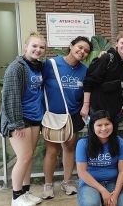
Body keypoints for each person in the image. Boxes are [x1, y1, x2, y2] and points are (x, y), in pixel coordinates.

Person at [41, 36, 92, 199]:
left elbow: (86, 91)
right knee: (52, 150)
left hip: (73, 116)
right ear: (71, 46)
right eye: (80, 47)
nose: (82, 52)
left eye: (86, 51)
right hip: (54, 116)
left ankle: (67, 181)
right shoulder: (51, 64)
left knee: (70, 148)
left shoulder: (84, 70)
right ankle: (48, 185)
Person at [0, 31, 46, 206]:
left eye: (41, 47)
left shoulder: (38, 66)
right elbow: (10, 97)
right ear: (25, 46)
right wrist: (15, 123)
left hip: (35, 118)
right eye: (34, 46)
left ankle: (25, 192)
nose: (38, 50)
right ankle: (16, 197)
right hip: (19, 119)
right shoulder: (16, 67)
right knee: (24, 157)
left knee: (29, 156)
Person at [81, 31, 123, 130]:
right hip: (99, 108)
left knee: (111, 136)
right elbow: (89, 81)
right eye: (122, 43)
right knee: (97, 136)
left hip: (113, 109)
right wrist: (86, 105)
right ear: (116, 44)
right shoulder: (106, 58)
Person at [75, 110, 123, 206]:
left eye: (107, 124)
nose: (103, 128)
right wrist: (102, 190)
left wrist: (115, 195)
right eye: (99, 125)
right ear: (92, 127)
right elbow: (82, 172)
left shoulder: (120, 142)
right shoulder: (83, 144)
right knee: (91, 204)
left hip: (112, 183)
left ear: (112, 124)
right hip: (89, 183)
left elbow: (122, 171)